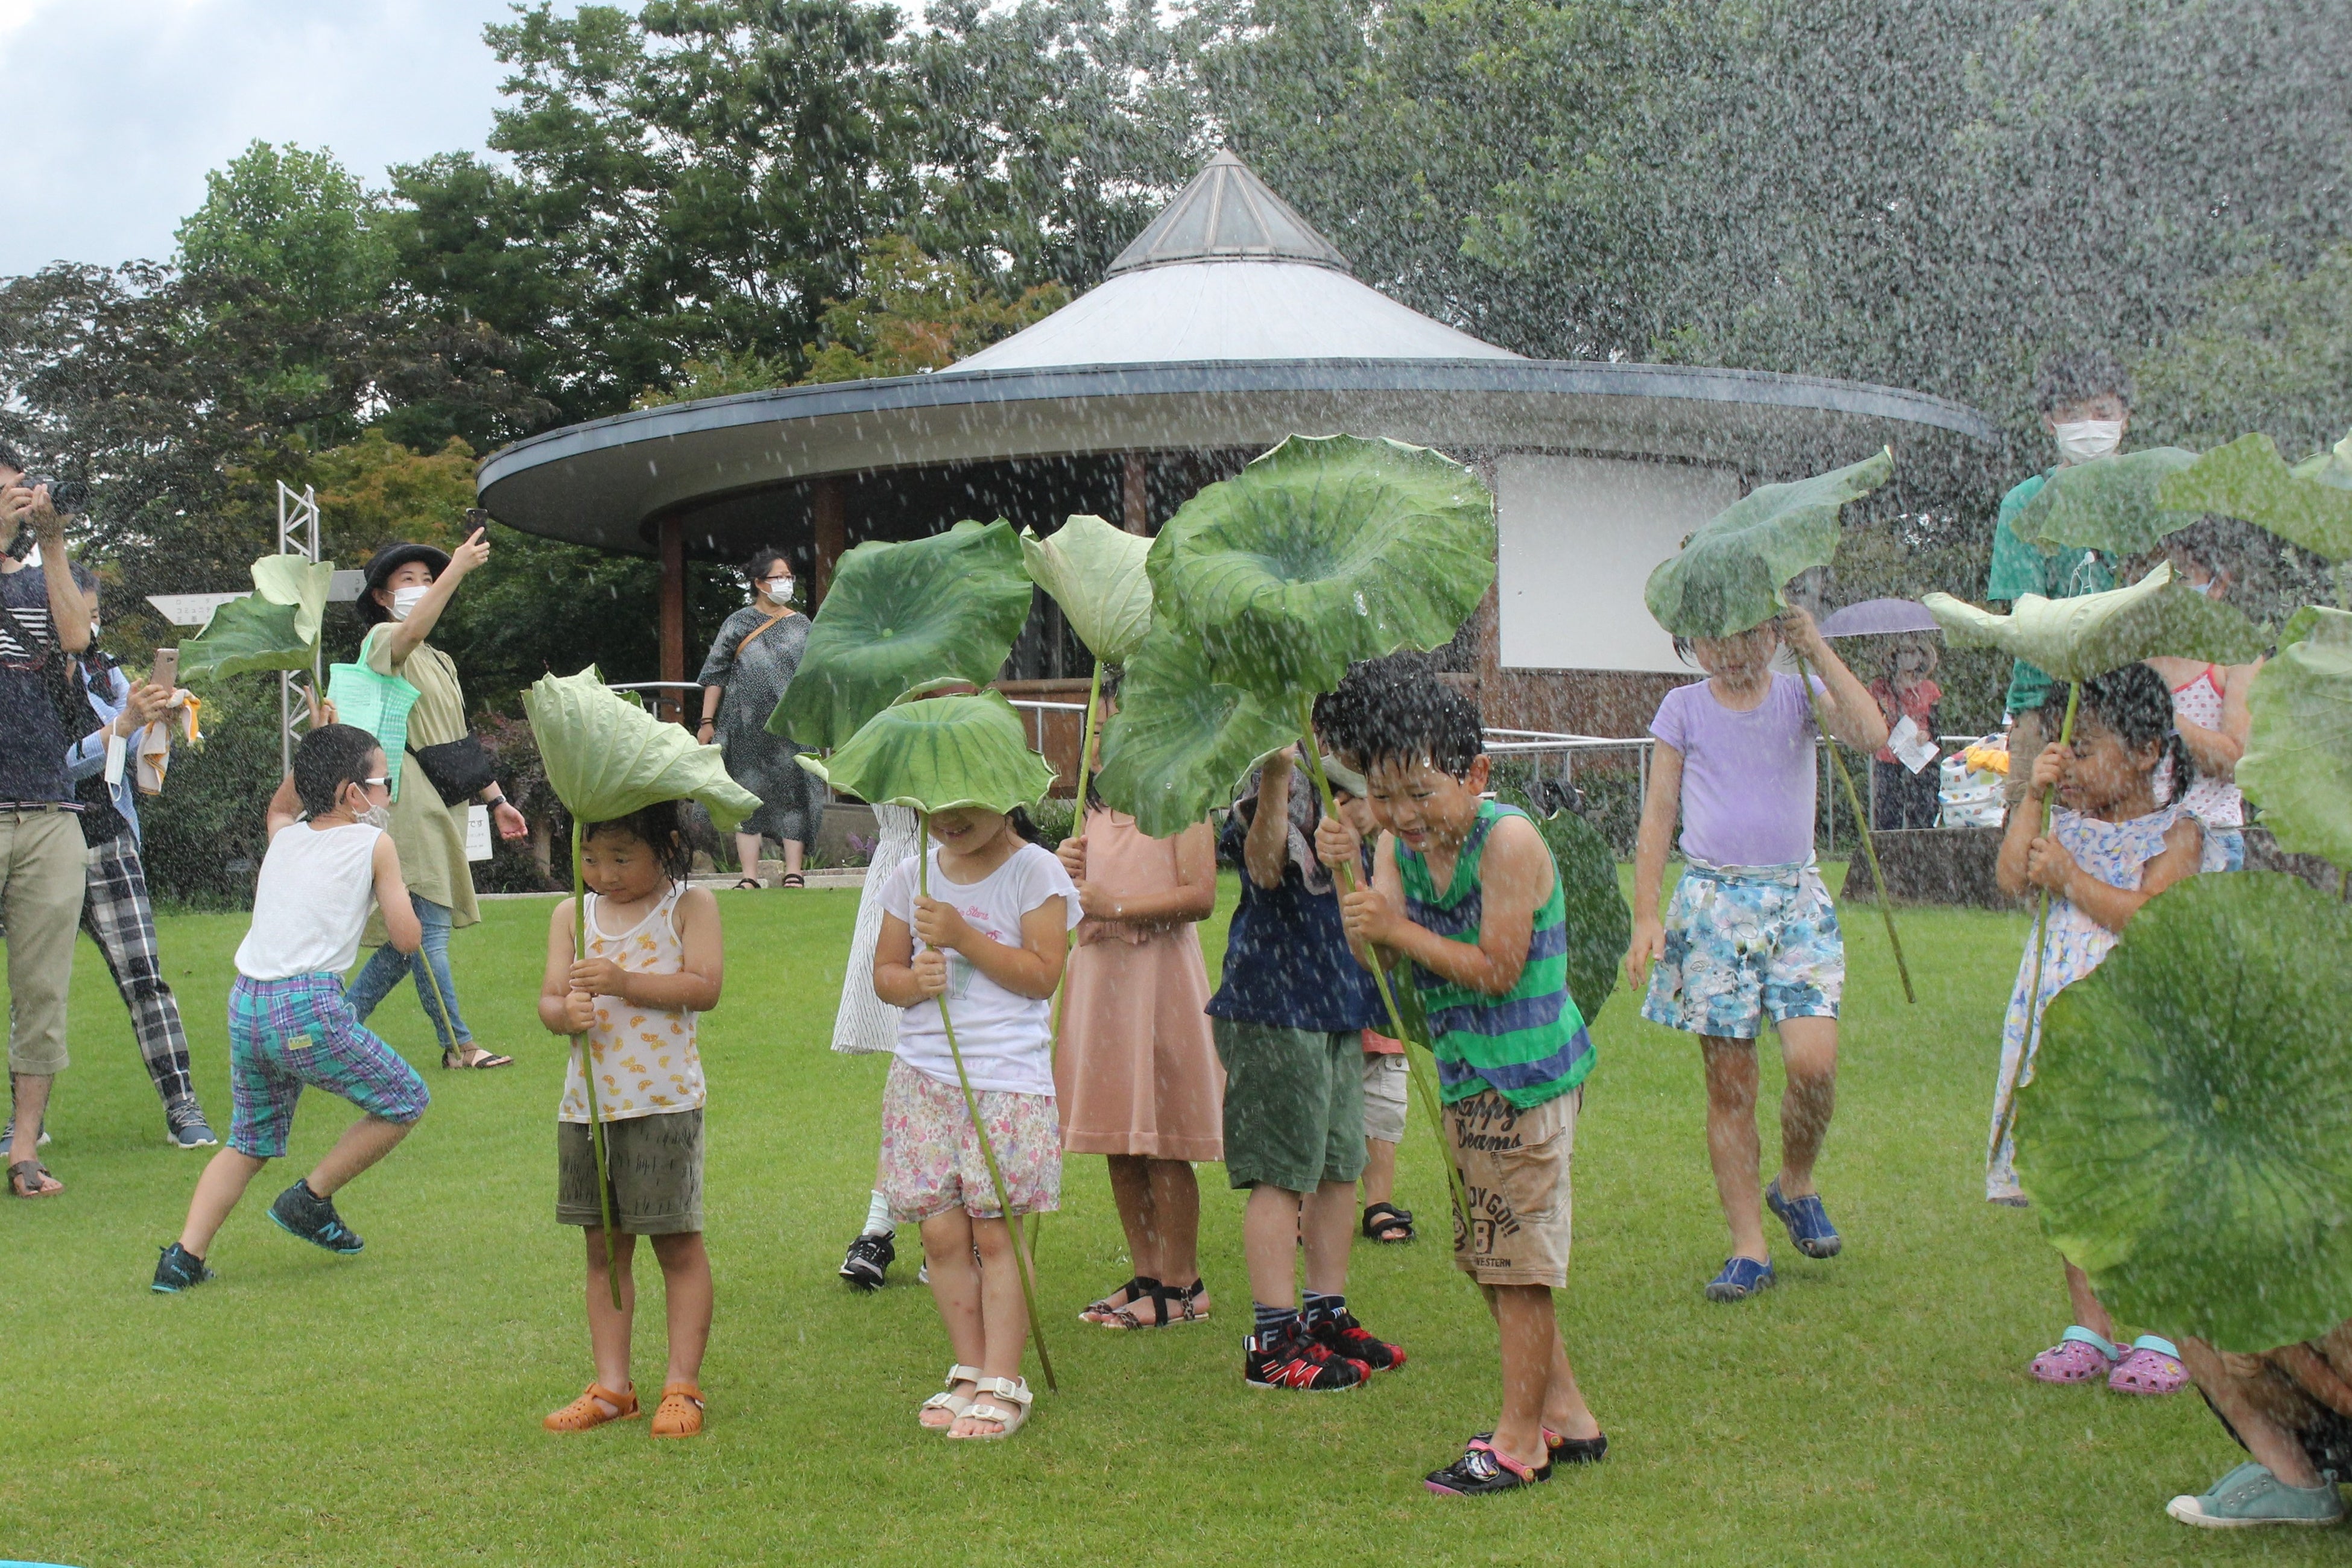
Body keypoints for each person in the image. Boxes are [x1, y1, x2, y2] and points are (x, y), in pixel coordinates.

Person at [1315, 663, 1604, 1496]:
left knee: (1518, 1264)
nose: (1404, 816)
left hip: (1526, 1080)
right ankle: (1569, 1417)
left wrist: (1395, 926)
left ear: (1477, 774)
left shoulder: (1509, 842)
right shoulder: (1393, 844)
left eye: (1422, 793)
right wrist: (1356, 899)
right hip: (1468, 1080)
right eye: (1384, 796)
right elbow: (1379, 961)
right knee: (1488, 1256)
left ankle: (1520, 1444)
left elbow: (1497, 968)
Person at [1623, 607, 1888, 1301]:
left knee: (1813, 1064)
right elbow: (1658, 813)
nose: (1732, 649)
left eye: (1748, 631)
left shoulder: (1800, 691)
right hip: (1713, 907)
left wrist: (1817, 648)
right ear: (1692, 639)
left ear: (1774, 631)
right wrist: (1647, 914)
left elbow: (1872, 733)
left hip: (1796, 901)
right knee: (1731, 1085)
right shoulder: (1682, 708)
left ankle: (1795, 1181)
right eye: (1715, 634)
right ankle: (1750, 1245)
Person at [1993, 663, 2218, 1393]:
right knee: (2076, 1170)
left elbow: (2152, 916)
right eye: (2068, 746)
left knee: (2145, 1170)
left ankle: (2161, 1328)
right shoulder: (2062, 825)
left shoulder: (2179, 832)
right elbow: (2009, 877)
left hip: (2138, 1026)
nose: (2074, 763)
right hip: (2061, 1025)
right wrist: (2033, 793)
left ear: (2150, 751)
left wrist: (2074, 880)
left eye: (2085, 747)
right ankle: (2090, 1325)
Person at [151, 725, 431, 1291]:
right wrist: (401, 897)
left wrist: (315, 749)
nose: (388, 795)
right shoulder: (374, 844)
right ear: (354, 794)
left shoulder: (285, 836)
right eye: (382, 782)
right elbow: (406, 940)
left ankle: (182, 1259)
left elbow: (282, 803)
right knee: (405, 1099)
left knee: (248, 1142)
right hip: (306, 1008)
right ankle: (310, 1198)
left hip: (248, 1004)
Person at [873, 801, 1077, 1438]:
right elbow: (884, 975)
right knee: (940, 1235)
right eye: (933, 809)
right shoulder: (911, 877)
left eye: (964, 808)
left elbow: (1044, 975)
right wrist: (914, 980)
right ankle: (968, 1365)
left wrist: (963, 937)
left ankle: (1002, 1376)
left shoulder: (1036, 872)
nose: (948, 820)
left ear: (1002, 796)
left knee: (997, 1234)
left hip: (1005, 1079)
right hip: (923, 1075)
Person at [1208, 739, 1404, 1394]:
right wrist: (1276, 773)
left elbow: (1370, 910)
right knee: (1282, 1171)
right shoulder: (1271, 769)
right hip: (1272, 999)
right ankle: (1271, 1340)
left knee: (1339, 1164)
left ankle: (1325, 1313)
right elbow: (1262, 867)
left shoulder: (1352, 789)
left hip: (1337, 997)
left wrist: (1355, 836)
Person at [536, 801, 723, 1440]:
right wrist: (565, 1015)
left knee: (675, 1241)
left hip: (663, 1102)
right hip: (587, 1105)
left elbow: (704, 986)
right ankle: (613, 1386)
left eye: (621, 857)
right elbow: (549, 998)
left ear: (666, 845)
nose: (603, 873)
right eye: (591, 857)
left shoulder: (689, 906)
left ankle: (682, 1385)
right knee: (603, 1248)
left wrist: (622, 980)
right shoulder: (571, 914)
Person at [1057, 709, 1222, 1330]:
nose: (1103, 741)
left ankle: (1184, 1283)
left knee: (1163, 1135)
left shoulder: (1181, 797)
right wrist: (1061, 865)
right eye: (1096, 732)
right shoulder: (1090, 814)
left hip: (1158, 982)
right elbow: (1068, 901)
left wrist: (1118, 902)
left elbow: (1200, 895)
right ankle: (1148, 1271)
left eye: (1117, 729)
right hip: (1103, 982)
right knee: (1118, 1137)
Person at [343, 533, 528, 1070]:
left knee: (409, 941)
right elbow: (411, 630)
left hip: (444, 801)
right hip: (405, 801)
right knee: (429, 930)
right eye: (408, 581)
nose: (421, 588)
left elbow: (456, 739)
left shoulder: (441, 659)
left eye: (429, 579)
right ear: (381, 596)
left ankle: (334, 1026)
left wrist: (496, 800)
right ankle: (461, 1046)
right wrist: (458, 571)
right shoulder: (382, 639)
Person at [62, 567, 215, 1147]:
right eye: (78, 612)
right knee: (37, 989)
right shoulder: (19, 676)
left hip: (108, 843)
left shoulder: (105, 670)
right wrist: (119, 729)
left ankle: (184, 1106)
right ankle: (25, 1126)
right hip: (36, 841)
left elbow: (138, 764)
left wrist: (162, 720)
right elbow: (45, 769)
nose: (88, 624)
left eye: (93, 611)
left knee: (145, 979)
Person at [0, 451, 91, 1198]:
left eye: (17, 492)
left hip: (50, 810)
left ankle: (24, 1148)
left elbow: (74, 639)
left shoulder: (45, 575)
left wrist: (53, 541)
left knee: (42, 989)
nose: (13, 503)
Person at [1987, 351, 2132, 809]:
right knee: (2032, 845)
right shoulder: (2025, 503)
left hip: (2135, 703)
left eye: (2103, 412)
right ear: (2050, 422)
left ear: (2125, 418)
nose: (2089, 425)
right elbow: (2028, 617)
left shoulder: (2150, 495)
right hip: (2042, 705)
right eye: (2072, 414)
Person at [696, 547, 824, 890]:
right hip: (743, 725)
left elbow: (814, 678)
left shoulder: (801, 625)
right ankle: (749, 877)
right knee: (745, 795)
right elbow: (715, 674)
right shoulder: (737, 623)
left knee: (795, 794)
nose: (785, 583)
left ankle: (794, 872)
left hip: (791, 726)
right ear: (758, 582)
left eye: (789, 577)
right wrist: (707, 723)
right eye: (777, 577)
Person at [835, 802, 923, 1288]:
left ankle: (948, 1231)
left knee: (952, 1076)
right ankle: (879, 1227)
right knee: (910, 1077)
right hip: (897, 871)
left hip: (957, 871)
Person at [2144, 519, 2260, 872]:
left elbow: (2235, 763)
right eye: (2159, 576)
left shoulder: (2236, 659)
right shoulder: (2132, 656)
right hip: (2140, 836)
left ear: (2219, 585)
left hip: (2212, 840)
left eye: (2181, 578)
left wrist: (2168, 717)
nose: (2167, 590)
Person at [2166, 1323, 2352, 1528]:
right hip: (2327, 1434)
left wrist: (2283, 1350)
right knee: (2191, 1316)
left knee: (2340, 1325)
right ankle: (2297, 1482)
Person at [1867, 635, 1943, 831]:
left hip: (1920, 758)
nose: (1908, 658)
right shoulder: (1880, 688)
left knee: (1923, 813)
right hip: (1889, 756)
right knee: (1888, 814)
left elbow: (1937, 726)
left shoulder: (1929, 689)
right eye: (1904, 652)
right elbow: (1868, 722)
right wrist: (1880, 710)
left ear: (1920, 658)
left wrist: (1927, 734)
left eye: (1913, 652)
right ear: (1896, 656)